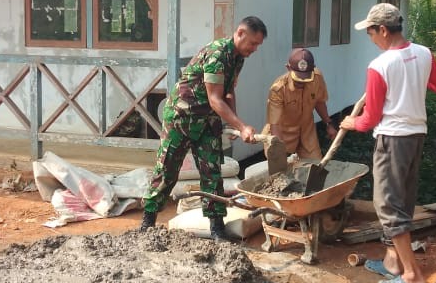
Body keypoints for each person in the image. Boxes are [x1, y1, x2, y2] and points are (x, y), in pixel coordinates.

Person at [340, 3, 436, 283]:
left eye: (371, 32)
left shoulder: (380, 66)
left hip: (392, 140)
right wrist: (415, 79)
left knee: (388, 207)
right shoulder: (424, 54)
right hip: (415, 137)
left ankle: (413, 275)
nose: (371, 38)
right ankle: (393, 262)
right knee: (402, 201)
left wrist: (352, 122)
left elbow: (370, 120)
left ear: (384, 30)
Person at [141, 17, 268, 241]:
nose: (255, 49)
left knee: (212, 173)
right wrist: (243, 126)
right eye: (253, 43)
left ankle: (217, 229)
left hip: (208, 121)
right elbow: (215, 99)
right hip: (182, 118)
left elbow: (228, 92)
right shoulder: (218, 54)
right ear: (240, 33)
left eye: (258, 45)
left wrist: (232, 125)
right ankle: (148, 220)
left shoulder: (238, 58)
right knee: (167, 170)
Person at [263, 48, 337, 159]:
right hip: (282, 134)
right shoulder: (278, 89)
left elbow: (319, 102)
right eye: (298, 79)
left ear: (313, 70)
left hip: (307, 132)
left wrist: (328, 123)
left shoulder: (317, 78)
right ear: (288, 68)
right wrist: (277, 150)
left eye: (306, 79)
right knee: (279, 170)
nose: (302, 82)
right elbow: (275, 124)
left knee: (314, 168)